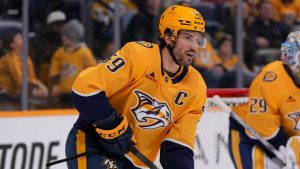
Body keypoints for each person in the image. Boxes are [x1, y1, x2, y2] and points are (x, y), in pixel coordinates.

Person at [66, 5, 207, 169]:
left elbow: (177, 147)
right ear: (169, 37)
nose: (194, 47)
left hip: (137, 163)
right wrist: (111, 124)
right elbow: (84, 89)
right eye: (188, 37)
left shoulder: (196, 87)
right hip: (94, 144)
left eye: (199, 40)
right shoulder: (138, 55)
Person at [228, 30, 300, 169]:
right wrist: (289, 148)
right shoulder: (271, 79)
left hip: (286, 135)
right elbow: (261, 128)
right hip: (249, 135)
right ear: (292, 57)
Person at [49, 19, 97, 108]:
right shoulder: (60, 52)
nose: (62, 37)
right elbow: (54, 72)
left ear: (71, 37)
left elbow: (93, 73)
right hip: (62, 95)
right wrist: (55, 85)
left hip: (79, 94)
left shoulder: (84, 53)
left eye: (65, 35)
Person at [0, 30, 48, 110]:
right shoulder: (9, 59)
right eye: (19, 38)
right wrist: (35, 92)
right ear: (12, 45)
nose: (23, 39)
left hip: (18, 95)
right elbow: (20, 81)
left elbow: (32, 78)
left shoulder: (26, 58)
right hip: (5, 96)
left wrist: (42, 87)